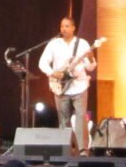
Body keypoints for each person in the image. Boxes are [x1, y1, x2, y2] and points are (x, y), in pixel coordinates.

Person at [38, 16, 97, 154]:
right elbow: (42, 62)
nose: (63, 29)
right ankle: (67, 149)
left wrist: (91, 58)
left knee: (81, 117)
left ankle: (83, 149)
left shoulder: (82, 44)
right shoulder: (54, 44)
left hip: (79, 85)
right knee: (63, 118)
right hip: (61, 86)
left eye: (67, 26)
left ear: (73, 28)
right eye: (62, 26)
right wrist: (52, 73)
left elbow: (90, 68)